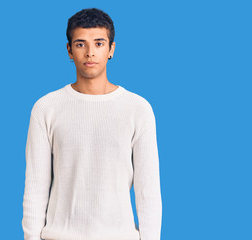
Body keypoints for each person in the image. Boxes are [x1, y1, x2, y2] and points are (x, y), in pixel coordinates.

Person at [21, 7, 162, 240]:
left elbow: (148, 191)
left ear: (111, 49)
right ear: (69, 50)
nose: (90, 53)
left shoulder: (138, 109)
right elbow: (35, 187)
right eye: (80, 44)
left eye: (98, 43)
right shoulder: (46, 108)